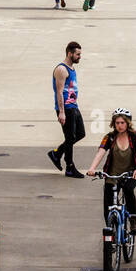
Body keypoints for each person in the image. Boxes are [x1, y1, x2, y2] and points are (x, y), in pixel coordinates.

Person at [86, 109, 136, 235]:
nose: (120, 125)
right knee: (108, 202)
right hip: (112, 174)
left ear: (128, 123)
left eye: (122, 122)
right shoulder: (110, 137)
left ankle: (134, 219)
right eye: (117, 122)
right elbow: (101, 152)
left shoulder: (135, 136)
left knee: (128, 190)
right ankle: (111, 232)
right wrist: (92, 168)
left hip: (131, 174)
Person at [47, 41, 86, 179]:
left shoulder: (71, 68)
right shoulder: (61, 70)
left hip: (73, 106)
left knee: (80, 134)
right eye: (78, 54)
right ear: (70, 53)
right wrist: (62, 112)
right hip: (66, 109)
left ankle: (56, 154)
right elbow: (59, 92)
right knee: (70, 138)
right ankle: (69, 167)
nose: (80, 56)